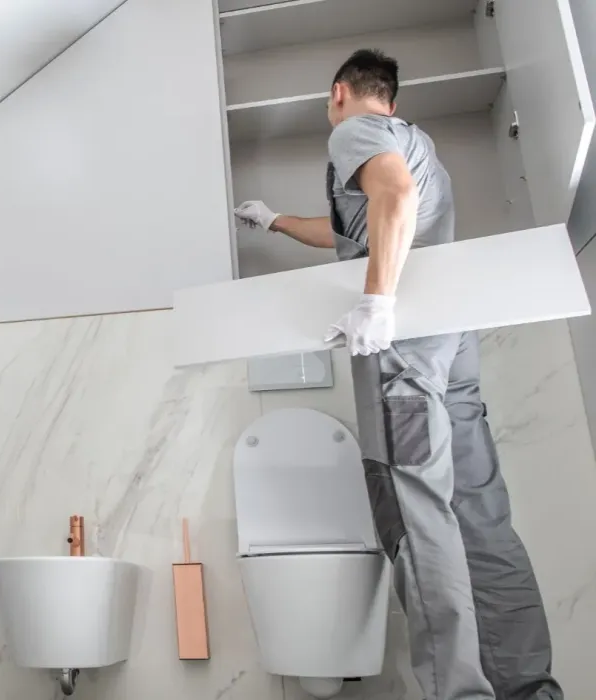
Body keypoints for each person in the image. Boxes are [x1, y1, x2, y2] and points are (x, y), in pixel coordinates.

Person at [234, 49, 561, 700]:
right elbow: (353, 226)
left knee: (416, 520)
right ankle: (529, 689)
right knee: (479, 517)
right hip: (450, 346)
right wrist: (272, 221)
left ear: (339, 93)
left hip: (403, 350)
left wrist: (377, 300)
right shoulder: (419, 144)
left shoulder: (355, 130)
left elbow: (392, 194)